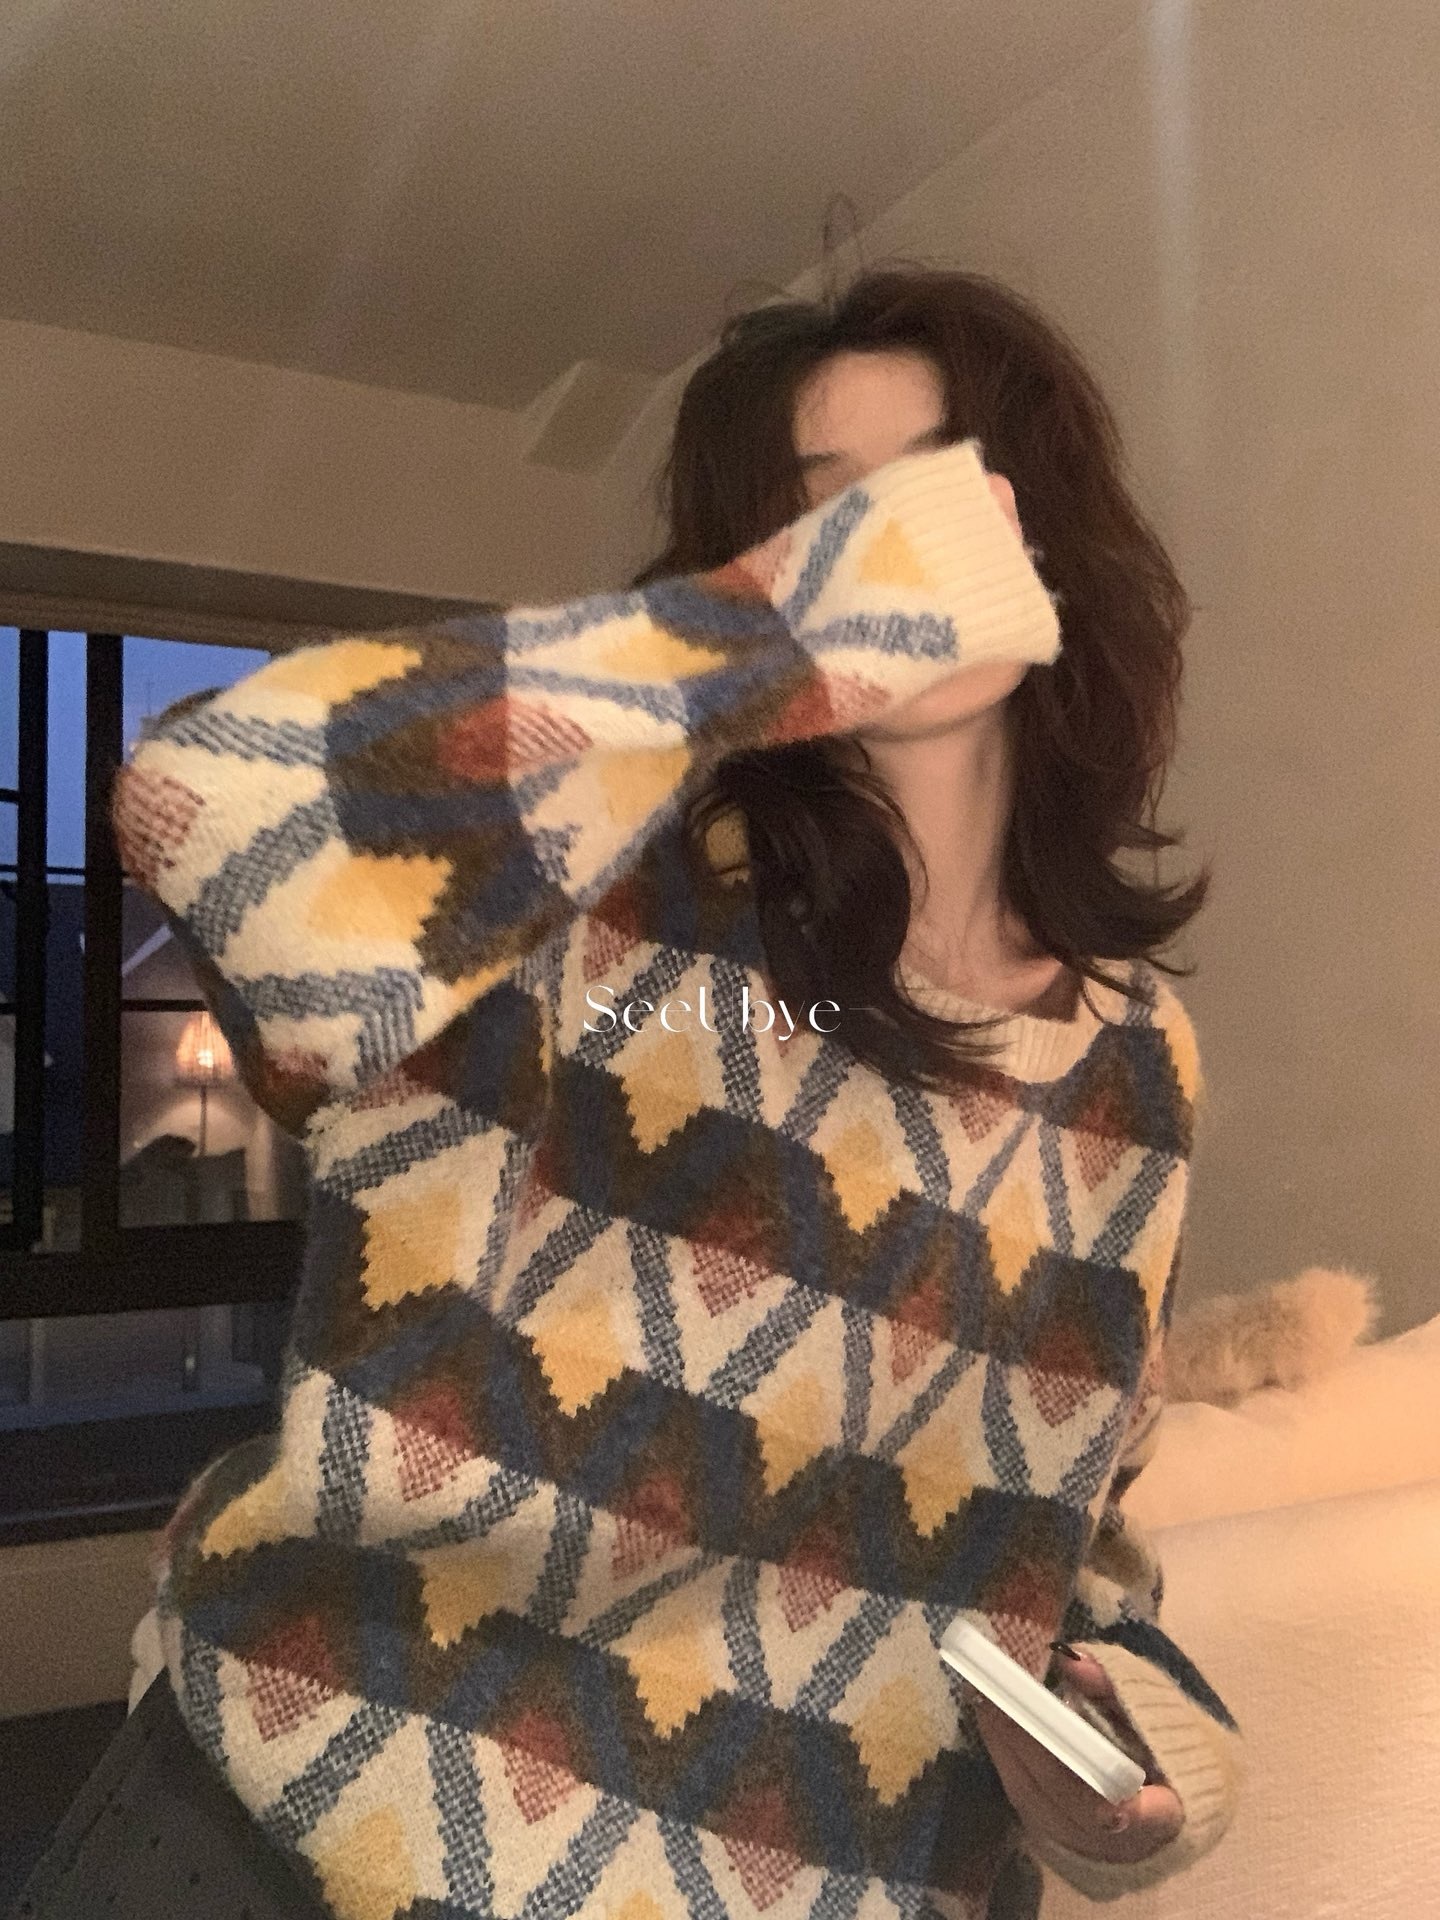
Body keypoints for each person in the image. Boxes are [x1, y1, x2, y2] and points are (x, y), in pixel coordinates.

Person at [112, 265, 1243, 1920]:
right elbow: (205, 809)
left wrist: (1125, 1750)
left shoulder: (1138, 1063)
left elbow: (1069, 1536)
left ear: (1049, 532)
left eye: (949, 488)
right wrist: (760, 644)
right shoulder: (583, 899)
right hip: (321, 1808)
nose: (906, 545)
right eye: (834, 514)